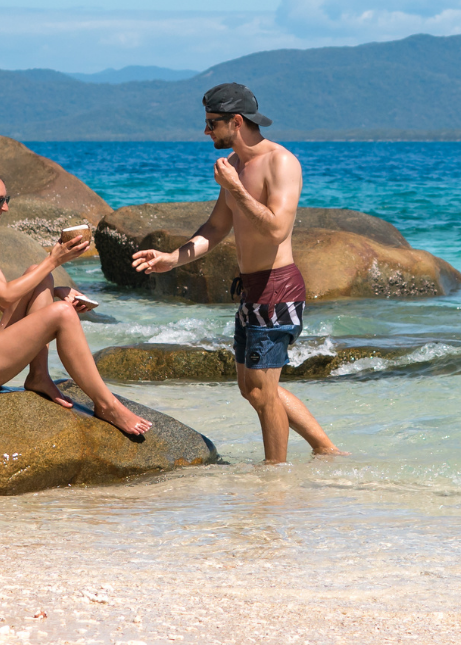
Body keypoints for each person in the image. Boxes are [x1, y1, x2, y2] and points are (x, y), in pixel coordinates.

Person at [132, 83, 340, 463]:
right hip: (250, 290)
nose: (206, 131)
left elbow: (276, 228)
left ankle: (275, 475)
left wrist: (236, 188)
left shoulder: (281, 162)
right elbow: (215, 228)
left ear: (237, 121)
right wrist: (171, 258)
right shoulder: (236, 166)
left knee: (263, 390)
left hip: (278, 288)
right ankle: (326, 449)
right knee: (252, 389)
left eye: (212, 123)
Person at [0, 167, 152, 437]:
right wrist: (54, 260)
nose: (6, 207)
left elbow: (5, 301)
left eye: (6, 199)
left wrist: (56, 288)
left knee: (38, 276)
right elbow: (4, 295)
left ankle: (39, 376)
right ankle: (107, 405)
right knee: (60, 311)